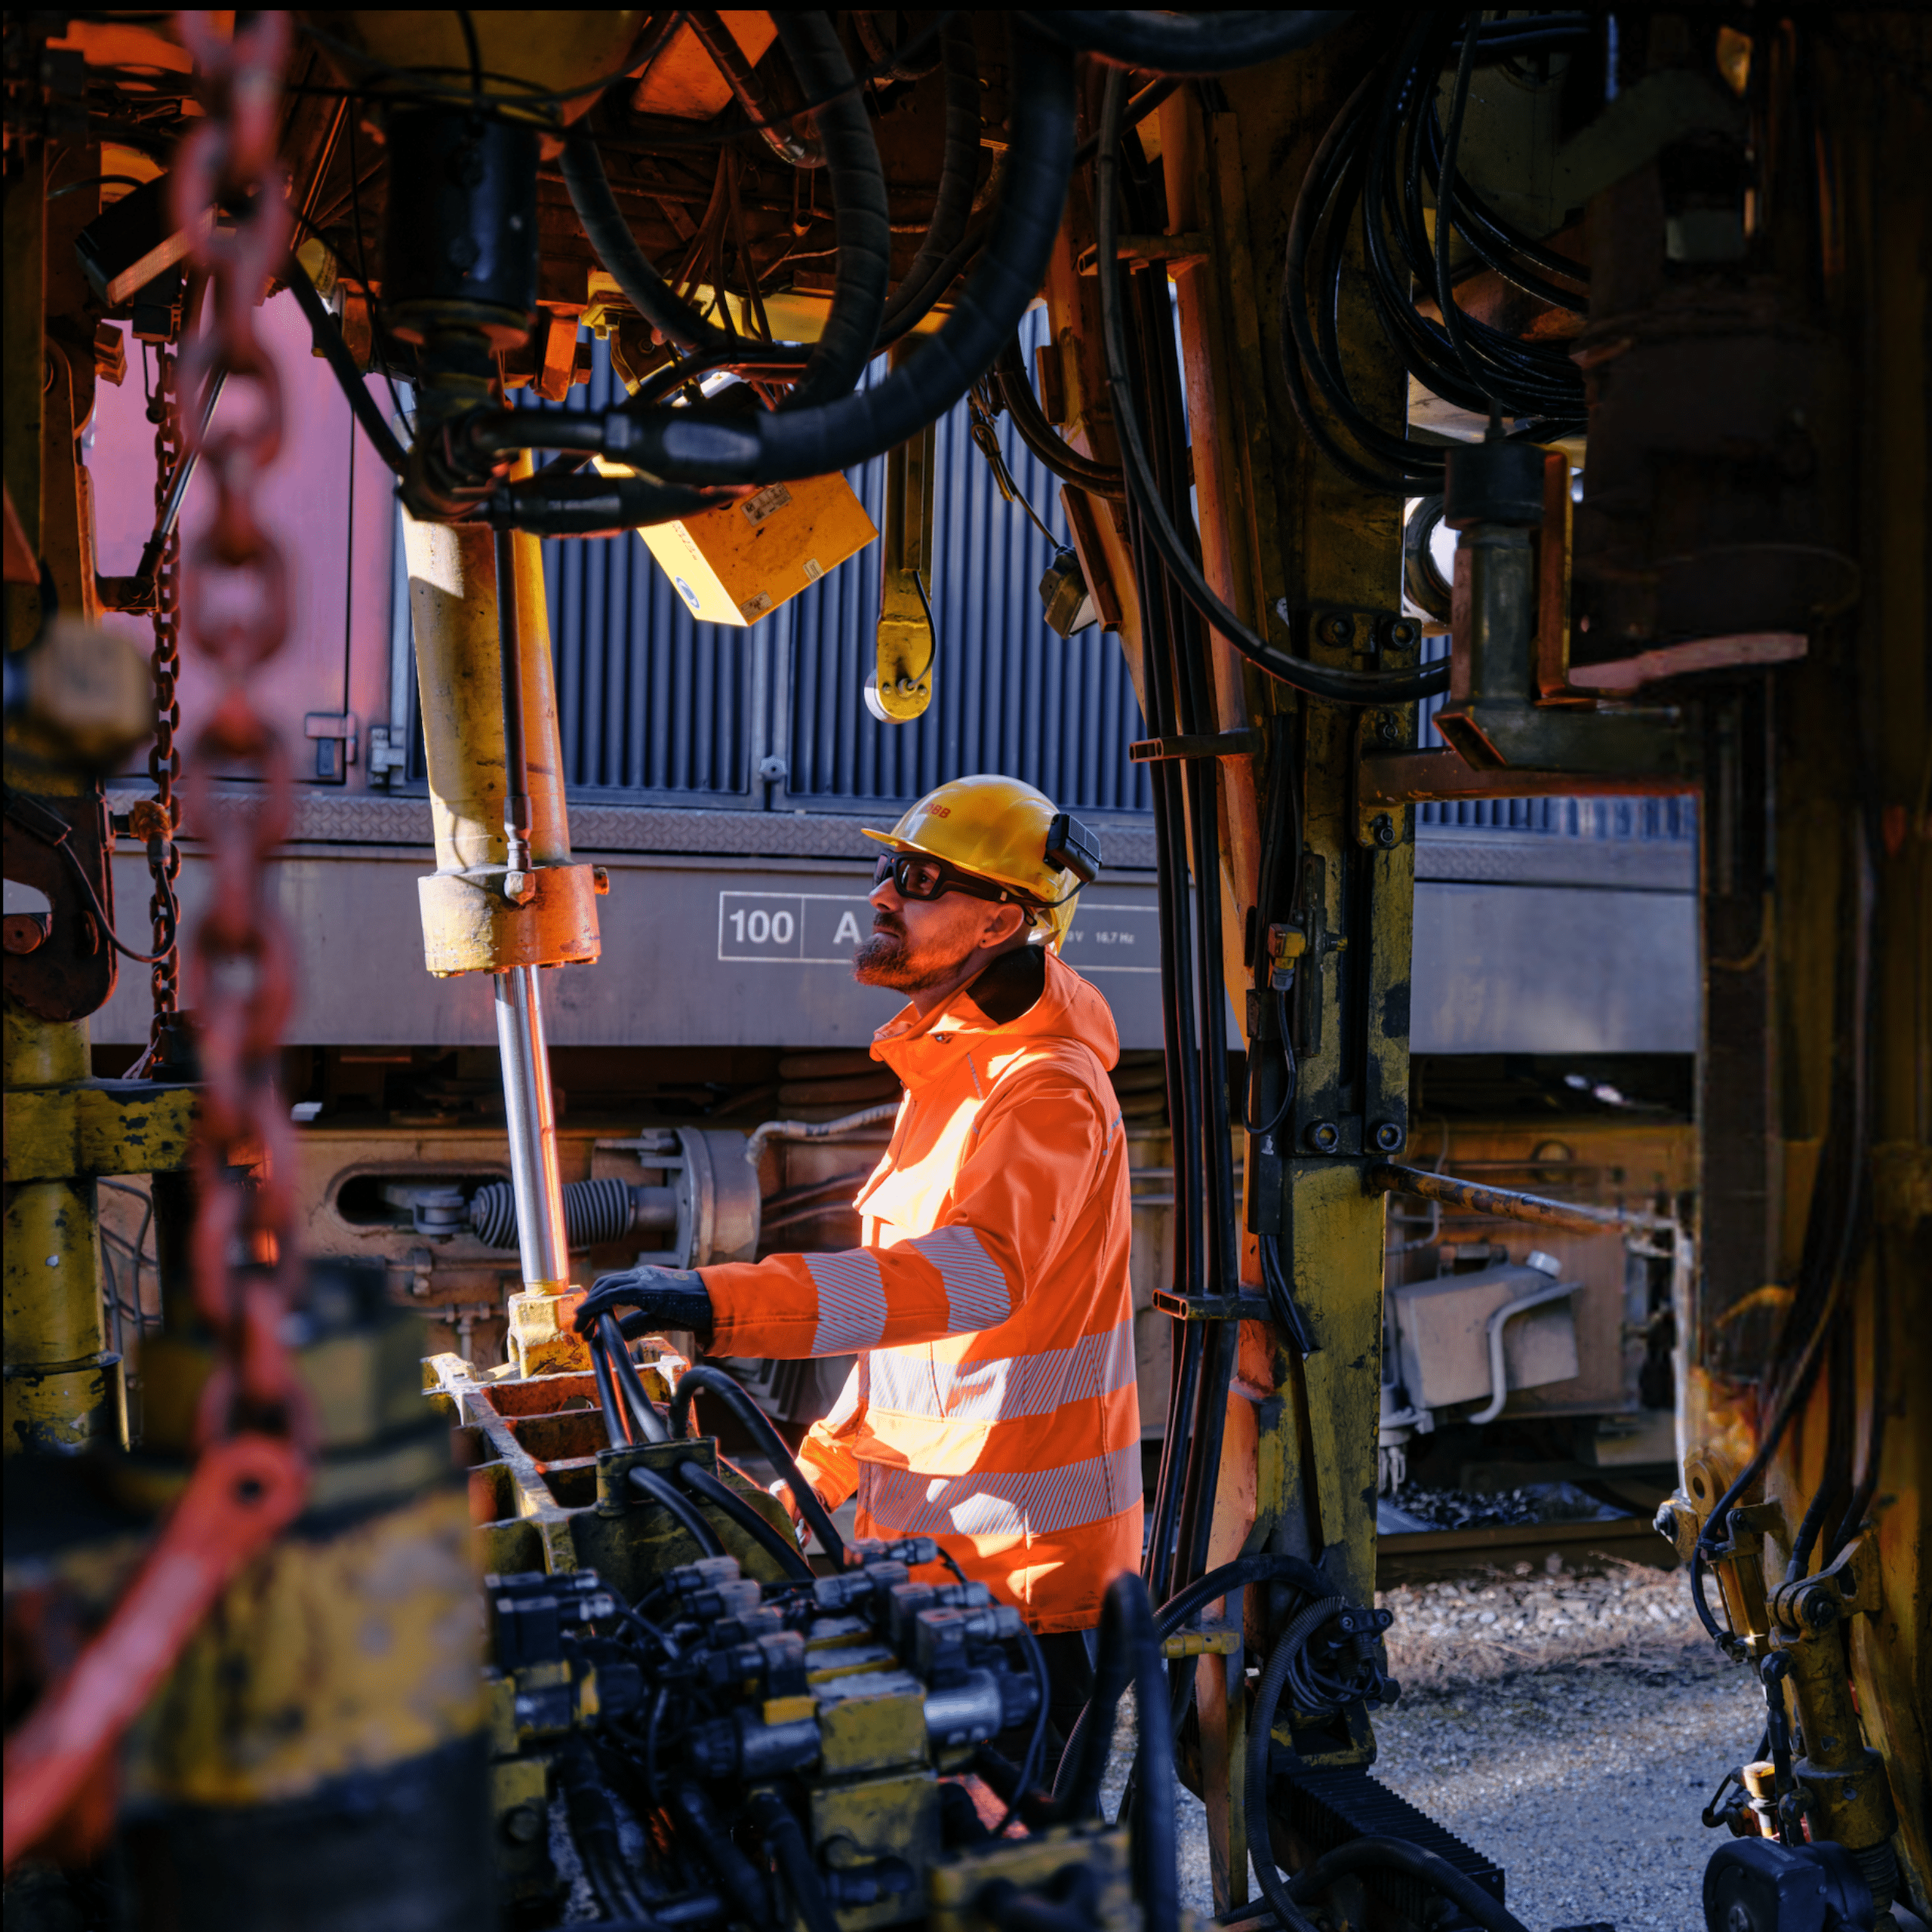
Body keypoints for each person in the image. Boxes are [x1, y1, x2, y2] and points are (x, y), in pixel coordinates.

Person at [576, 774, 1140, 1764]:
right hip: (935, 1573)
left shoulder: (1047, 1091)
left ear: (998, 920)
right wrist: (805, 1493)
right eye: (886, 869)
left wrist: (717, 1300)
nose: (881, 894)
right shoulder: (958, 1075)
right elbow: (912, 1370)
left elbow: (971, 1281)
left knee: (1008, 1878)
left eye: (917, 878)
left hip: (1021, 1590)